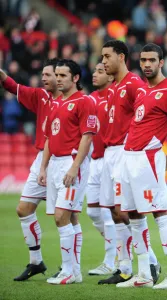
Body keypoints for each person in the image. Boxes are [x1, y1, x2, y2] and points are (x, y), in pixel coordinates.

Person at [116, 43, 167, 289]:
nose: (146, 64)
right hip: (129, 158)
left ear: (161, 62)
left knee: (160, 214)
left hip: (149, 158)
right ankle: (144, 273)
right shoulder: (143, 91)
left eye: (151, 60)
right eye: (143, 60)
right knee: (133, 215)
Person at [98, 40, 160, 285]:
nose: (103, 61)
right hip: (110, 153)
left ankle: (150, 262)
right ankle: (124, 266)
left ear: (121, 57)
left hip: (126, 151)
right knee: (114, 212)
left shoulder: (134, 84)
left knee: (127, 211)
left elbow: (145, 118)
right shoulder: (113, 87)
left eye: (107, 56)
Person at [0, 58, 60, 281]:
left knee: (66, 218)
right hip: (41, 160)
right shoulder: (40, 96)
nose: (43, 78)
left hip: (62, 161)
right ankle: (36, 262)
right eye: (42, 74)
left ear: (61, 76)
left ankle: (71, 268)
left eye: (48, 74)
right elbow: (11, 86)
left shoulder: (73, 101)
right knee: (23, 209)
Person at [37, 59, 96, 284]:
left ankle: (68, 271)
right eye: (57, 75)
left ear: (75, 78)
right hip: (55, 164)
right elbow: (49, 138)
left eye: (63, 76)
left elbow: (87, 136)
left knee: (61, 216)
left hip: (72, 164)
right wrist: (43, 167)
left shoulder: (84, 102)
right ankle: (75, 270)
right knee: (69, 218)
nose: (58, 79)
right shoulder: (55, 103)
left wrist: (74, 167)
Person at [86, 62, 117, 276]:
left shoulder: (116, 96)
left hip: (111, 158)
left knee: (110, 213)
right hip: (94, 160)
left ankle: (110, 260)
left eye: (100, 71)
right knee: (93, 212)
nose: (95, 74)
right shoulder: (90, 100)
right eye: (95, 70)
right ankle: (121, 249)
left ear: (111, 76)